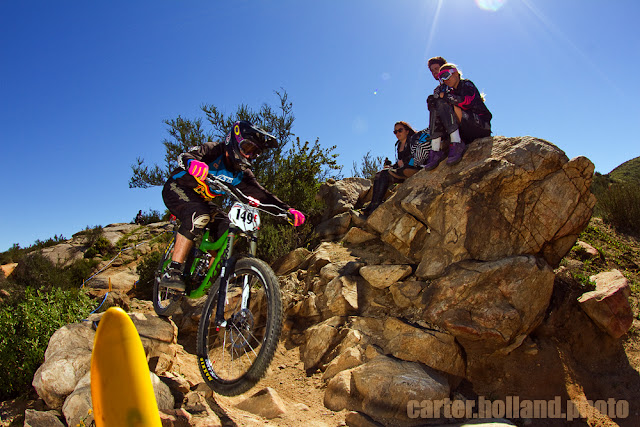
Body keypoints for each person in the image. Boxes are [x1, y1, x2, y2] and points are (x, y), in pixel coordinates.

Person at [160, 120, 306, 291]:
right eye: (246, 148)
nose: (249, 155)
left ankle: (203, 275)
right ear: (233, 141)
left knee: (228, 228)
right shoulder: (213, 150)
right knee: (199, 215)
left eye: (254, 153)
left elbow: (262, 195)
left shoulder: (242, 174)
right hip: (178, 188)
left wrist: (287, 210)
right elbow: (185, 156)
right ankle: (173, 271)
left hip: (203, 201)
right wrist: (193, 163)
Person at [423, 63, 492, 170]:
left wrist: (444, 97)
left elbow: (466, 101)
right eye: (442, 78)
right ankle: (435, 149)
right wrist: (434, 100)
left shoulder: (467, 84)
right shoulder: (448, 90)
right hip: (464, 130)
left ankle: (456, 142)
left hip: (480, 126)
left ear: (455, 73)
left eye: (446, 75)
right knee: (436, 102)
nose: (445, 80)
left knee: (445, 102)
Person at [362, 121, 420, 216]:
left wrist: (404, 162)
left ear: (407, 131)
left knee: (385, 174)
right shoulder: (398, 145)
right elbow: (399, 162)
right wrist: (391, 166)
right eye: (395, 132)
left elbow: (417, 157)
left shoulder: (413, 141)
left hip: (413, 169)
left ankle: (375, 205)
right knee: (379, 174)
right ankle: (373, 203)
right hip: (403, 170)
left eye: (400, 130)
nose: (397, 133)